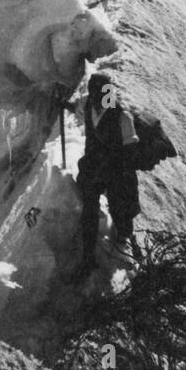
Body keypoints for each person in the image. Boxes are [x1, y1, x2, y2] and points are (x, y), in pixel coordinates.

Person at [76, 71, 141, 271]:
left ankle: (127, 243)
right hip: (93, 167)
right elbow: (77, 108)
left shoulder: (122, 116)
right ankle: (88, 254)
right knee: (89, 208)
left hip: (116, 171)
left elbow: (130, 151)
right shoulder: (87, 105)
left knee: (121, 210)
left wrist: (115, 169)